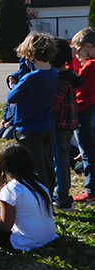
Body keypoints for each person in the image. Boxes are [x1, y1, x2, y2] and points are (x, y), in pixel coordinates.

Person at [0, 143, 58, 252]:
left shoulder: (11, 190)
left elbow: (5, 225)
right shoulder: (39, 183)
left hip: (24, 243)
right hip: (49, 237)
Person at [7, 31, 59, 195]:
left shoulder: (31, 79)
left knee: (36, 168)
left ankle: (42, 198)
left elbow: (12, 97)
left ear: (32, 55)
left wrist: (22, 70)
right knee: (48, 165)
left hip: (29, 129)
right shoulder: (53, 73)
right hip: (46, 126)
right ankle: (49, 195)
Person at [50, 37, 85, 210]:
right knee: (61, 158)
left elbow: (53, 105)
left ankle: (63, 197)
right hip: (69, 123)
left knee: (60, 160)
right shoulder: (69, 75)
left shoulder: (60, 79)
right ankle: (62, 193)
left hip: (59, 125)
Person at [69, 28, 95, 204]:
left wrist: (70, 59)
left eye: (79, 50)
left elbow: (73, 81)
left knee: (87, 153)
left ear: (87, 47)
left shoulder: (89, 65)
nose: (78, 55)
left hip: (84, 110)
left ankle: (91, 191)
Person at [0, 59, 32, 140]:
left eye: (13, 82)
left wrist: (10, 122)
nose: (11, 84)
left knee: (5, 137)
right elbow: (7, 109)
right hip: (7, 122)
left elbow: (17, 113)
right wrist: (4, 119)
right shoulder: (11, 95)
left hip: (14, 123)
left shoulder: (20, 97)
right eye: (10, 83)